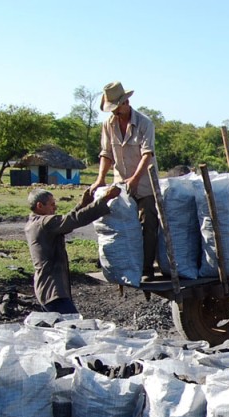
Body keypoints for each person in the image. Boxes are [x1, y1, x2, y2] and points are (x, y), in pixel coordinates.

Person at [89, 81, 160, 280]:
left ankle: (146, 270)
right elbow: (106, 154)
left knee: (148, 223)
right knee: (118, 225)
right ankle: (124, 267)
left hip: (144, 183)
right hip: (120, 184)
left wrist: (136, 178)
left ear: (126, 102)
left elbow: (147, 154)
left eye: (117, 108)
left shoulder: (145, 123)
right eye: (112, 110)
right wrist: (100, 178)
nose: (115, 113)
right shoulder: (108, 125)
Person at [25, 185, 121, 314]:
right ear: (39, 206)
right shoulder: (43, 223)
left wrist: (82, 205)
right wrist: (105, 199)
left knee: (61, 329)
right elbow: (72, 220)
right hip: (53, 290)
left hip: (48, 290)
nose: (55, 207)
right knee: (72, 328)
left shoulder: (35, 223)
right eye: (52, 204)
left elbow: (66, 223)